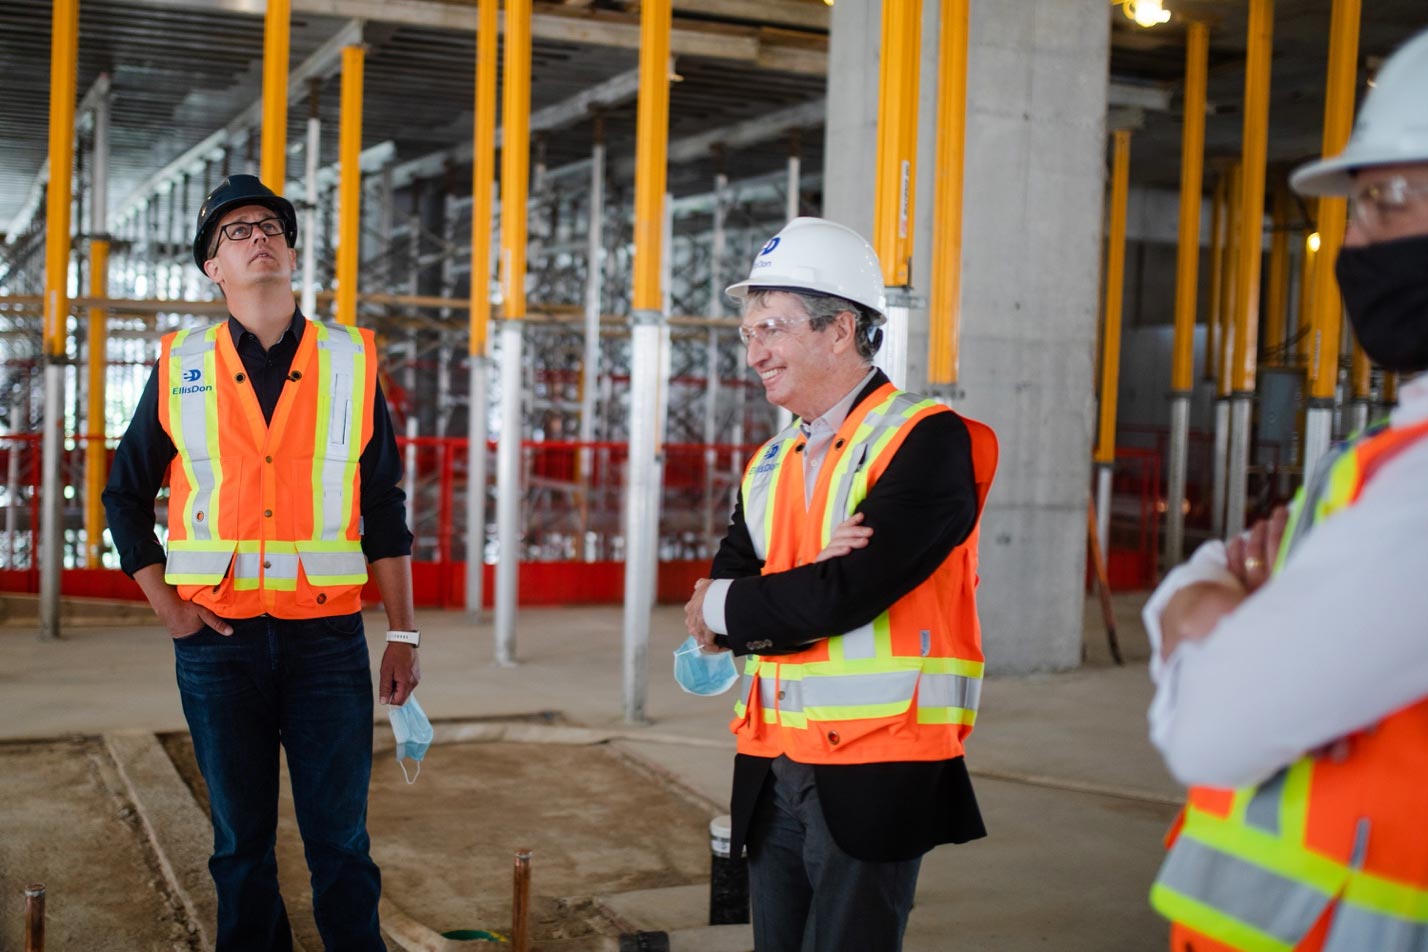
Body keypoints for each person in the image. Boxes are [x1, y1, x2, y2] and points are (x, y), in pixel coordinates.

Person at [1144, 29, 1428, 951]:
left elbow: (1214, 729)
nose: (1354, 240)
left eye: (1387, 198)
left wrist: (1203, 602)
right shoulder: (1395, 448)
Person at [103, 173, 420, 952]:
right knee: (240, 846)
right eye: (236, 231)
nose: (259, 237)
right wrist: (169, 607)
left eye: (270, 226)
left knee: (340, 844)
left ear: (290, 249)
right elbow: (122, 493)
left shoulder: (348, 360)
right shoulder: (181, 365)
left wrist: (404, 634)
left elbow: (383, 504)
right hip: (217, 644)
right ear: (214, 268)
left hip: (326, 641)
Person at [682, 217, 999, 951]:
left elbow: (843, 596)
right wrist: (799, 579)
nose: (754, 350)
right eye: (748, 331)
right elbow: (721, 598)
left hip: (875, 763)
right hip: (772, 764)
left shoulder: (927, 440)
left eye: (772, 327)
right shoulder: (769, 461)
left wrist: (752, 597)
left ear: (839, 329)